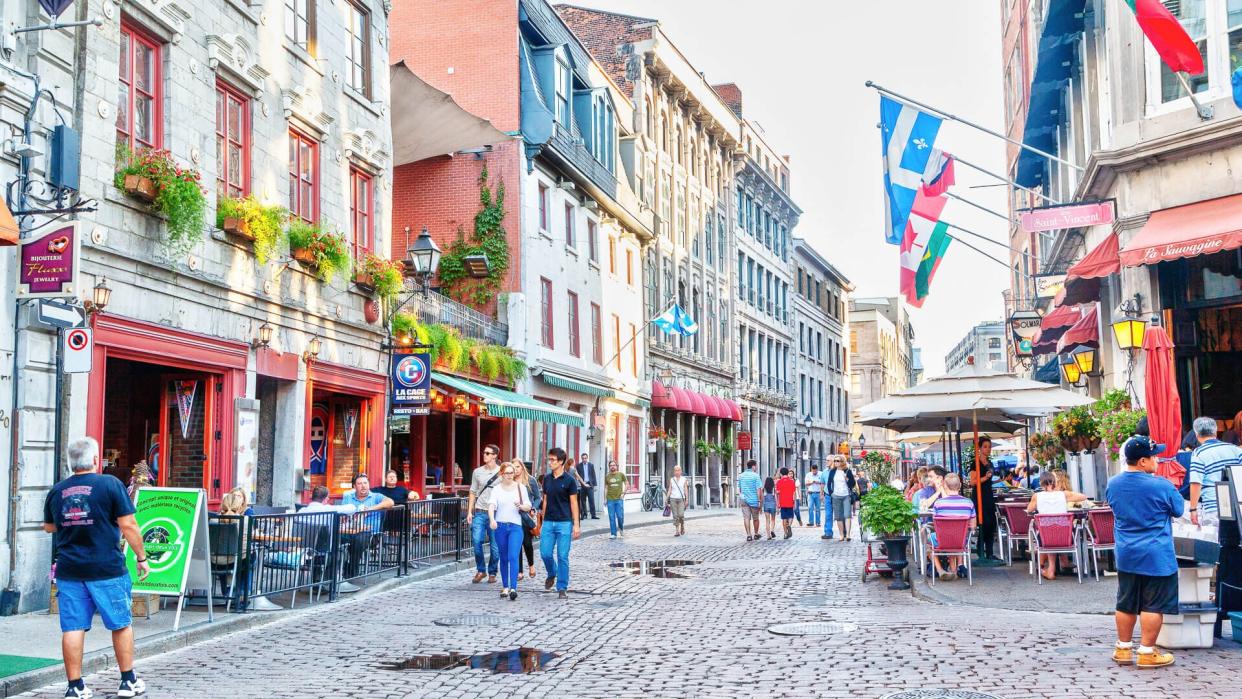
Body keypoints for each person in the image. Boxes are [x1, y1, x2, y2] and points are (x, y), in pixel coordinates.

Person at [43, 437, 149, 699]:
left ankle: (75, 686)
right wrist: (141, 557)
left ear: (71, 463)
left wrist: (75, 522)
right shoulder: (110, 484)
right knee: (121, 624)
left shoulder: (57, 491)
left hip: (70, 569)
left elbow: (49, 527)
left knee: (73, 627)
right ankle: (127, 681)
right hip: (107, 568)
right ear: (93, 460)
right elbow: (129, 525)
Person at [1105, 436, 1182, 668]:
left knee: (1126, 601)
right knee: (1153, 604)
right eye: (1154, 456)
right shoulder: (1161, 485)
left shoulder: (1113, 484)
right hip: (1156, 554)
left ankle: (1123, 649)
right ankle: (1147, 652)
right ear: (1142, 461)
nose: (1157, 460)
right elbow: (1178, 510)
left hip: (1127, 553)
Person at [1026, 470, 1089, 580]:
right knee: (1056, 530)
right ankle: (1052, 569)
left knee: (1049, 531)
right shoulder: (1063, 494)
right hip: (1065, 536)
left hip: (1046, 538)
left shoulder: (1037, 496)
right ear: (1055, 482)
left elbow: (1029, 510)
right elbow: (1083, 496)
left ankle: (1050, 570)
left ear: (1041, 483)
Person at [487, 461, 532, 601]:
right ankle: (505, 586)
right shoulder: (497, 489)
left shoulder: (521, 488)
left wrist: (522, 506)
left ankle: (513, 588)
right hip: (500, 526)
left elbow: (528, 505)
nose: (509, 475)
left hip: (516, 527)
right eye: (506, 473)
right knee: (504, 557)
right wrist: (492, 520)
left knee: (513, 556)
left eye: (511, 473)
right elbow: (491, 505)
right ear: (502, 474)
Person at [1188, 416, 1242, 530]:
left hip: (1214, 508)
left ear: (1196, 434)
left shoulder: (1198, 453)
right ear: (1216, 432)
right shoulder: (1235, 449)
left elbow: (1196, 483)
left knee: (1217, 543)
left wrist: (1193, 509)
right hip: (1238, 505)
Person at [540, 448, 580, 599]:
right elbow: (545, 500)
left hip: (564, 523)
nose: (550, 462)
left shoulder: (570, 480)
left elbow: (574, 503)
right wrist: (543, 521)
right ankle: (552, 573)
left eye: (552, 460)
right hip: (549, 522)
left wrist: (576, 524)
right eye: (549, 459)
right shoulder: (547, 479)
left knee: (563, 556)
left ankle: (562, 587)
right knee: (545, 554)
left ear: (561, 461)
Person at [467, 444, 502, 584]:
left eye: (488, 453)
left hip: (496, 513)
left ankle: (492, 571)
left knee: (495, 545)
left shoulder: (502, 472)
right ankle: (481, 570)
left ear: (495, 455)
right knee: (476, 541)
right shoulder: (477, 472)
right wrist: (470, 511)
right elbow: (472, 492)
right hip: (480, 512)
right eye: (484, 453)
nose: (484, 455)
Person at [930, 473, 976, 581]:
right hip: (961, 541)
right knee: (955, 535)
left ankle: (940, 570)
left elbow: (936, 524)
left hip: (943, 540)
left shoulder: (938, 504)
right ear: (960, 486)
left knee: (928, 541)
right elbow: (973, 526)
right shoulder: (969, 503)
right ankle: (954, 569)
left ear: (945, 486)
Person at [971, 436, 999, 561]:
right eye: (985, 447)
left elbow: (989, 481)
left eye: (989, 447)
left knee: (991, 523)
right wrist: (986, 478)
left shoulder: (990, 463)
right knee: (984, 522)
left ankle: (989, 552)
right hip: (979, 495)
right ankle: (981, 549)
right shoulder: (975, 463)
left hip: (988, 494)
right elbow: (972, 482)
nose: (988, 449)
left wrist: (1000, 480)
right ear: (980, 448)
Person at [516, 461, 542, 580]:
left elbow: (538, 497)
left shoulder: (530, 480)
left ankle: (531, 565)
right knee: (516, 544)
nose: (515, 469)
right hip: (514, 516)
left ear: (522, 467)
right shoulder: (510, 481)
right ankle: (519, 571)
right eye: (514, 467)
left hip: (526, 516)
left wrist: (533, 508)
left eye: (518, 466)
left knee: (526, 543)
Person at [823, 457, 857, 542]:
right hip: (836, 496)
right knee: (838, 517)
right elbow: (829, 483)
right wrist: (832, 494)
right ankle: (841, 535)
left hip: (846, 495)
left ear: (842, 462)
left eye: (837, 461)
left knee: (847, 515)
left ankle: (848, 535)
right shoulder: (833, 471)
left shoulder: (847, 471)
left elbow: (852, 484)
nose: (836, 462)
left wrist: (847, 480)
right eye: (835, 461)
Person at [737, 460, 763, 542]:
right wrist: (759, 500)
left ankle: (748, 535)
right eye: (756, 466)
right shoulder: (756, 476)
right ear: (753, 466)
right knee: (756, 518)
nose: (756, 467)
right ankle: (756, 533)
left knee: (746, 518)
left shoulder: (741, 476)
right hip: (754, 499)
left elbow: (740, 488)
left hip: (744, 499)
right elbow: (759, 489)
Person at [604, 460, 627, 539]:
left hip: (619, 499)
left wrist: (623, 493)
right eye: (611, 465)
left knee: (620, 516)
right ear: (609, 467)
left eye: (614, 465)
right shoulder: (607, 476)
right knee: (611, 517)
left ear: (616, 466)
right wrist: (605, 499)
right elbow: (606, 488)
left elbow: (627, 484)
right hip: (610, 499)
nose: (612, 467)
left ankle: (621, 528)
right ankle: (613, 533)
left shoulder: (621, 475)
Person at [575, 453, 599, 520]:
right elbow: (577, 476)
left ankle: (593, 515)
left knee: (591, 500)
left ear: (587, 458)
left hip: (590, 485)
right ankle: (584, 515)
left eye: (585, 458)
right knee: (583, 500)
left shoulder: (591, 465)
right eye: (583, 458)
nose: (584, 459)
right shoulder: (578, 466)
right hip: (582, 485)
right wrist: (579, 483)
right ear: (581, 459)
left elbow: (593, 475)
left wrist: (595, 485)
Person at [775, 467, 797, 539]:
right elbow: (794, 493)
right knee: (790, 516)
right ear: (788, 473)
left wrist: (777, 504)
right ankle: (789, 526)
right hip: (790, 501)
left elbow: (777, 493)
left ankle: (785, 534)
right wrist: (795, 502)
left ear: (781, 473)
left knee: (784, 518)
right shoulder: (792, 481)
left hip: (782, 502)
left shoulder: (779, 482)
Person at [668, 465, 689, 536]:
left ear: (681, 471)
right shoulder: (672, 479)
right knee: (675, 515)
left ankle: (682, 525)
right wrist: (667, 498)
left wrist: (687, 499)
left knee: (681, 515)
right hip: (673, 499)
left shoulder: (684, 479)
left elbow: (686, 489)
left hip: (681, 499)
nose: (677, 472)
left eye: (678, 470)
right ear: (674, 472)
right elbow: (670, 489)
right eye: (675, 470)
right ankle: (677, 531)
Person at [805, 464, 823, 529]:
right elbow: (806, 483)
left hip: (818, 493)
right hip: (810, 493)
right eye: (813, 471)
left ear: (817, 469)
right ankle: (811, 522)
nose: (814, 472)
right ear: (811, 469)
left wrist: (818, 482)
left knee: (818, 509)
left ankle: (818, 522)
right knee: (810, 508)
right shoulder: (808, 475)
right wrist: (811, 482)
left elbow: (823, 483)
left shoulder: (821, 474)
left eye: (815, 471)